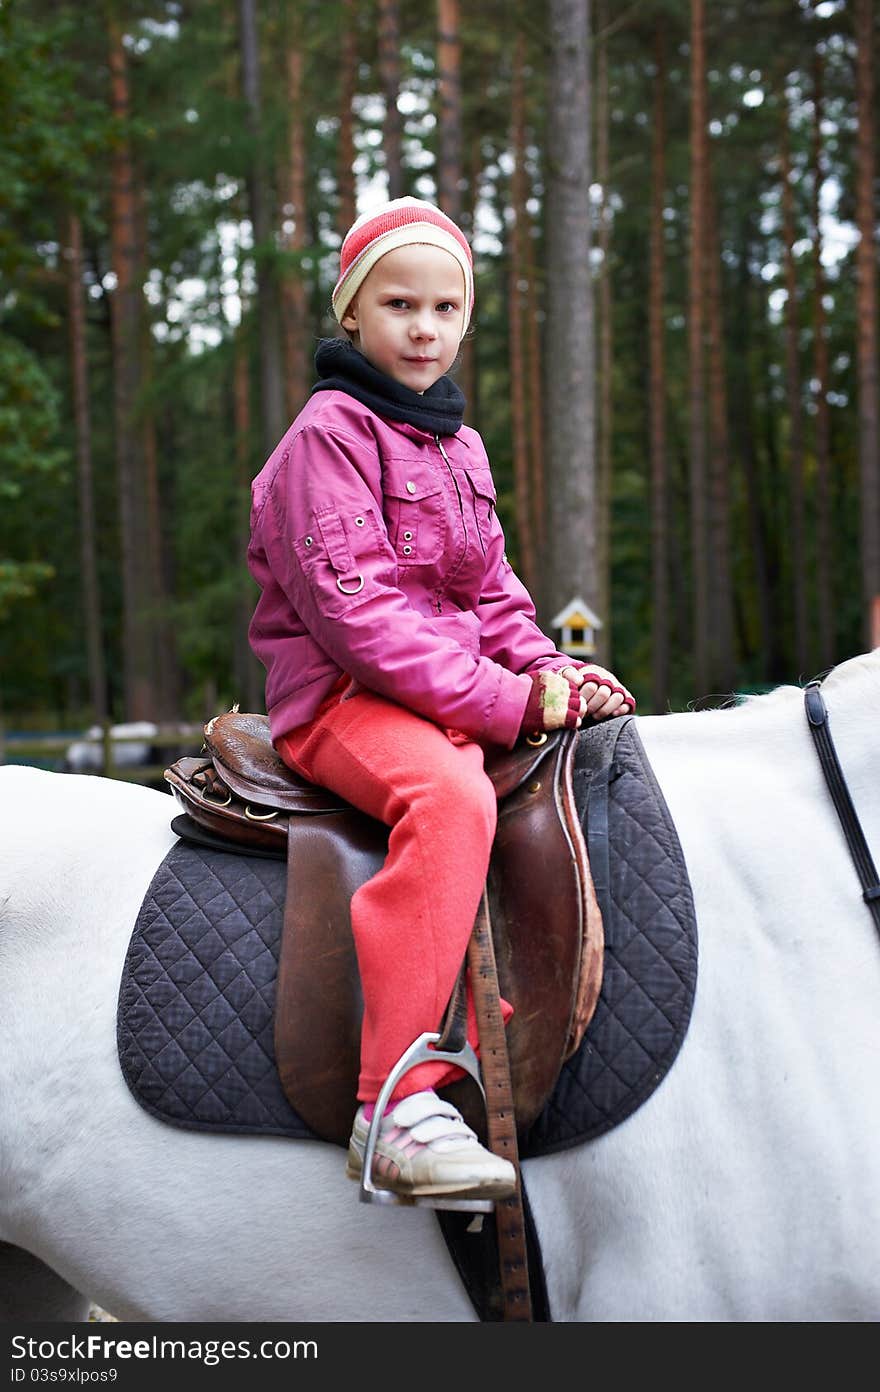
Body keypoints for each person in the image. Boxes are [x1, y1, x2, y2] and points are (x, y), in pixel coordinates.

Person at [247, 197, 634, 1205]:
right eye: (399, 304)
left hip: (444, 692)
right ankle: (396, 1105)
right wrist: (505, 702)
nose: (424, 327)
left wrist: (554, 669)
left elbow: (490, 592)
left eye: (445, 307)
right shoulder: (325, 439)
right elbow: (357, 618)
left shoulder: (456, 446)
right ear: (353, 316)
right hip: (342, 700)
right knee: (450, 801)